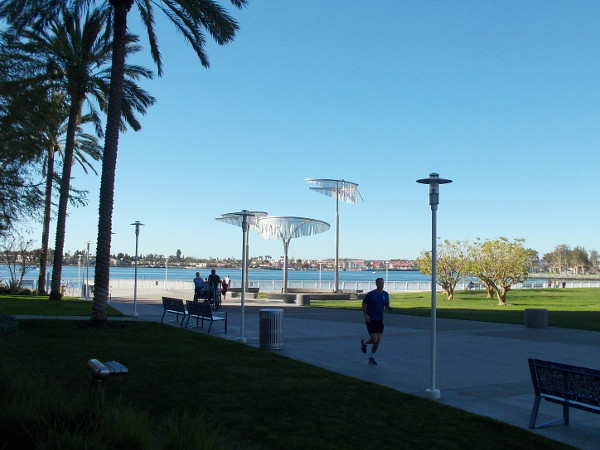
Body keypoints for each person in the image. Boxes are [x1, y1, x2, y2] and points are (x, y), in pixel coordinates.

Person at [360, 278, 393, 365]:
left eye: (383, 283)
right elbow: (364, 303)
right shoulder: (371, 294)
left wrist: (390, 308)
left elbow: (386, 305)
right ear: (376, 284)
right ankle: (364, 343)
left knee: (378, 340)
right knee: (374, 339)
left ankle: (372, 357)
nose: (381, 285)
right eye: (380, 283)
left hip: (379, 319)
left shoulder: (385, 294)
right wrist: (366, 315)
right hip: (371, 319)